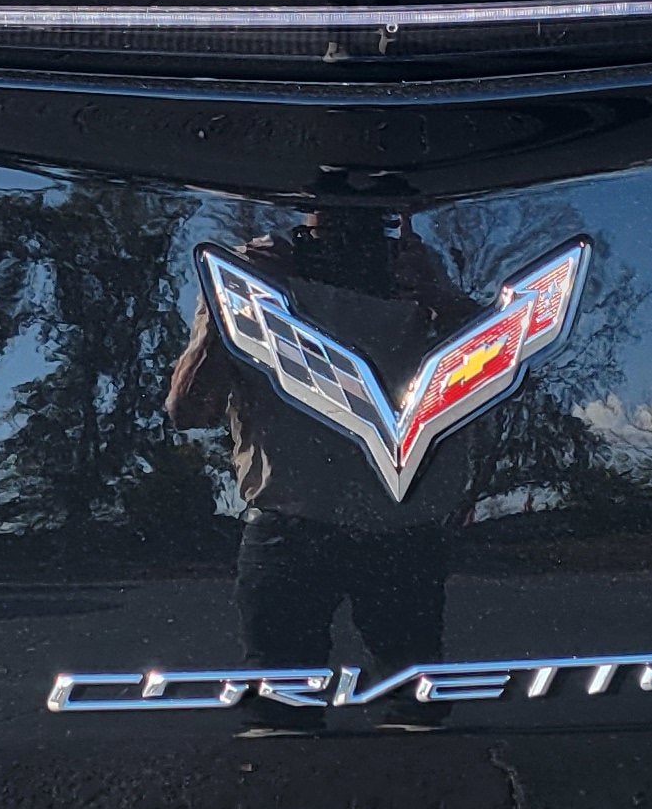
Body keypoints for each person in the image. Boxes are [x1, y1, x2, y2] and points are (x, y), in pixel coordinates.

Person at [164, 204, 475, 733]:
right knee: (277, 721)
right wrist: (239, 296)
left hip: (404, 525)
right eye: (326, 223)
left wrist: (436, 297)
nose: (345, 241)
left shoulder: (421, 285)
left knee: (419, 721)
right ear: (302, 213)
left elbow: (496, 380)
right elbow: (190, 409)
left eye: (362, 220)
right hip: (295, 520)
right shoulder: (254, 280)